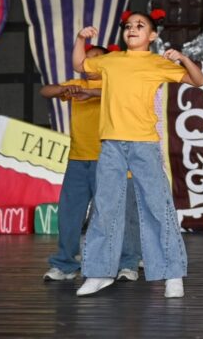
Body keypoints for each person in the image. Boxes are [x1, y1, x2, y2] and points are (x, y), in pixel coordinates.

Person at [72, 9, 203, 298]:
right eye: (129, 26)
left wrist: (181, 58)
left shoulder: (157, 63)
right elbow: (81, 65)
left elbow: (198, 81)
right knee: (104, 208)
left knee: (157, 207)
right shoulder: (111, 60)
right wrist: (80, 39)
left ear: (152, 35)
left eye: (140, 25)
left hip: (143, 144)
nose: (132, 29)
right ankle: (98, 273)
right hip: (111, 145)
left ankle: (172, 274)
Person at [42, 44, 141, 283]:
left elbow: (121, 96)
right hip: (78, 159)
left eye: (98, 58)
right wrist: (65, 88)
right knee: (69, 213)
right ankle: (65, 264)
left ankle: (127, 263)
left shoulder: (115, 86)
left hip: (109, 159)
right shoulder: (78, 85)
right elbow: (45, 91)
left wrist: (91, 93)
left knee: (115, 214)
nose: (91, 63)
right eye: (88, 58)